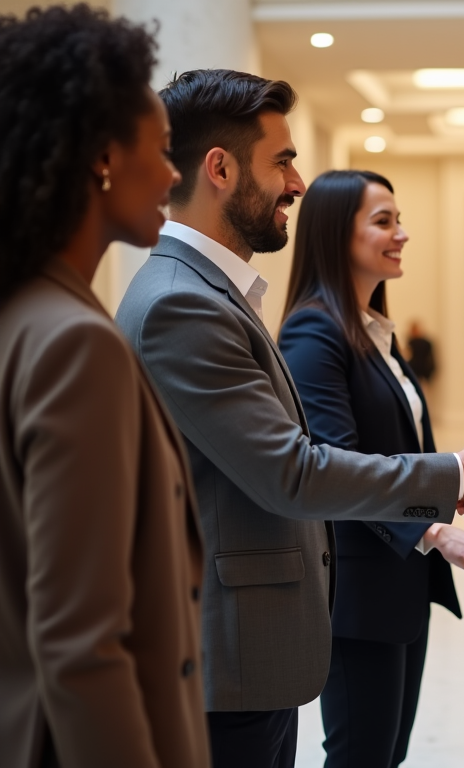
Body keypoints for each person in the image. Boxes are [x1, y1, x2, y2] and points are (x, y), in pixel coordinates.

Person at [114, 70, 464, 768]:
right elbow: (292, 471)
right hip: (226, 656)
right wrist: (454, 474)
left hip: (250, 654)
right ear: (219, 168)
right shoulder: (181, 304)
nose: (298, 184)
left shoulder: (212, 293)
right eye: (282, 160)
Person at [0, 6, 209, 767]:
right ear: (100, 158)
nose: (172, 173)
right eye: (159, 150)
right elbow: (82, 645)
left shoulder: (22, 313)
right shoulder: (76, 344)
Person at [278, 170, 464, 767]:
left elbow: (394, 449)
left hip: (396, 585)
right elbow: (339, 466)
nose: (402, 234)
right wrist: (438, 529)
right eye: (384, 222)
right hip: (358, 592)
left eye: (399, 219)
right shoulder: (314, 331)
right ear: (337, 236)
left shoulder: (372, 330)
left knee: (385, 754)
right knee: (362, 754)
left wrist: (455, 489)